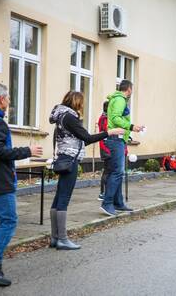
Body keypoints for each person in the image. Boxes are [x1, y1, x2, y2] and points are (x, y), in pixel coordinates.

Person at [49, 91, 123, 250]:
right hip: (70, 161)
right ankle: (62, 238)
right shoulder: (70, 118)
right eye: (81, 102)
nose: (83, 105)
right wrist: (109, 132)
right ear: (76, 102)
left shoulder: (61, 117)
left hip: (63, 158)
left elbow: (81, 140)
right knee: (63, 199)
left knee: (58, 198)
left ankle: (55, 238)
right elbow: (88, 138)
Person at [0, 82, 43, 286]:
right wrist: (27, 151)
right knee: (8, 221)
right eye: (8, 98)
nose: (9, 102)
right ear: (1, 100)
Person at [101, 80, 144, 216]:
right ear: (129, 89)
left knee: (117, 172)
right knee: (117, 172)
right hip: (115, 140)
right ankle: (107, 203)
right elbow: (115, 117)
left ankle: (118, 203)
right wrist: (131, 127)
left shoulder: (116, 99)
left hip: (117, 139)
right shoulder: (120, 99)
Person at [98, 101, 110, 201]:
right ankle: (102, 193)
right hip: (105, 147)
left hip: (107, 147)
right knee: (107, 171)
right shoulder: (104, 118)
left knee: (108, 170)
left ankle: (106, 192)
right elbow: (104, 132)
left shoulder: (105, 117)